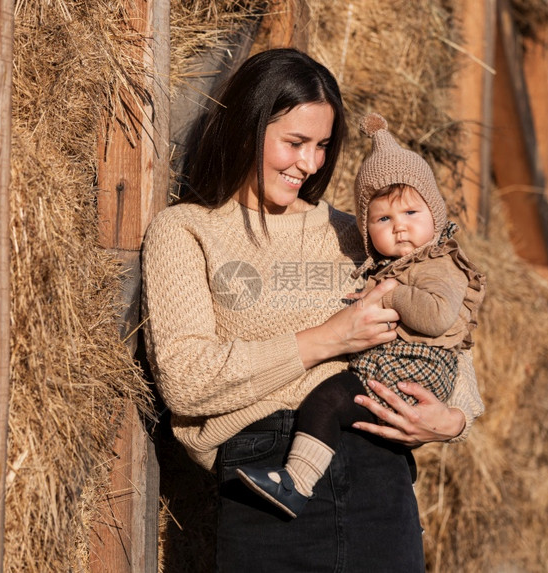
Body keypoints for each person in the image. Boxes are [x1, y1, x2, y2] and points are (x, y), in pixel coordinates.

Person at [142, 48, 484, 572]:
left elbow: (446, 325)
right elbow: (186, 380)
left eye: (323, 146)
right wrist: (330, 338)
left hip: (379, 475)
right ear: (248, 130)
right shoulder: (188, 230)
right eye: (295, 143)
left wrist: (453, 418)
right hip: (264, 482)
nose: (311, 163)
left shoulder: (357, 234)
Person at [235, 112, 487, 519]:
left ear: (436, 215)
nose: (399, 229)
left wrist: (388, 295)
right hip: (392, 371)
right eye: (383, 219)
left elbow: (440, 320)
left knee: (329, 400)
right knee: (333, 402)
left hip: (409, 373)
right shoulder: (384, 261)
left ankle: (296, 482)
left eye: (411, 215)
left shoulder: (438, 265)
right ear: (366, 228)